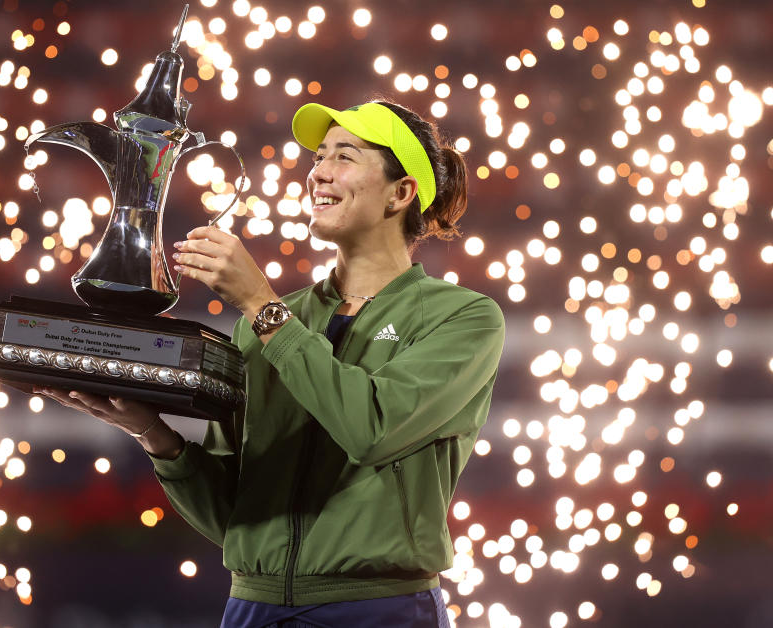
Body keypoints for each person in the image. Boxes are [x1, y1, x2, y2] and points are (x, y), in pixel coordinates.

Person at [37, 100, 505, 627]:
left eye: (345, 156)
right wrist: (154, 434)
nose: (319, 171)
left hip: (378, 609)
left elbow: (371, 429)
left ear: (401, 193)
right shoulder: (270, 322)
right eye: (319, 155)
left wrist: (262, 305)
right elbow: (235, 518)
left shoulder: (464, 318)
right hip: (251, 608)